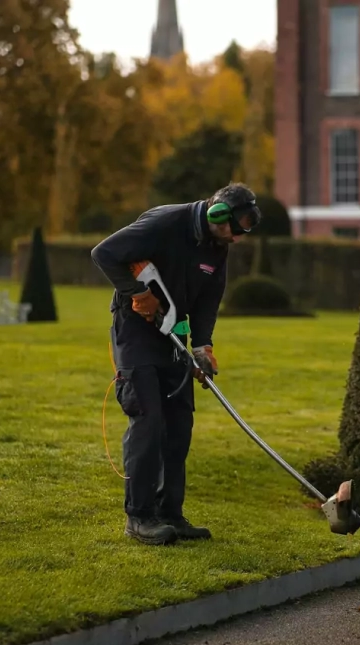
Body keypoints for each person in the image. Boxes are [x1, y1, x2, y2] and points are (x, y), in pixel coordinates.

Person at [90, 183, 262, 545]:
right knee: (148, 418)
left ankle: (170, 514)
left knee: (178, 423)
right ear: (217, 213)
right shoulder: (165, 223)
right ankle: (139, 517)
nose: (237, 237)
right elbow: (104, 253)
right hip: (136, 332)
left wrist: (202, 347)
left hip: (173, 334)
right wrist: (137, 293)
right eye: (237, 227)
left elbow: (208, 301)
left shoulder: (218, 247)